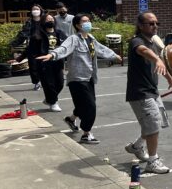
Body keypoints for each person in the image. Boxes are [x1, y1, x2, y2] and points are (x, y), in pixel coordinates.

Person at [37, 14, 122, 144]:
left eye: (89, 21)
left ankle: (71, 119)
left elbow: (101, 49)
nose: (88, 23)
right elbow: (63, 49)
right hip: (77, 78)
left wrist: (114, 55)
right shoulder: (74, 39)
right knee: (90, 106)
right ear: (77, 25)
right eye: (84, 21)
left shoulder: (90, 38)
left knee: (83, 104)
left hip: (89, 77)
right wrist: (52, 55)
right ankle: (86, 133)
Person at [123, 12, 172, 174]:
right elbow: (143, 51)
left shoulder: (152, 42)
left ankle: (136, 147)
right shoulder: (137, 41)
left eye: (156, 23)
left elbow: (159, 62)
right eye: (151, 23)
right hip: (140, 93)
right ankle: (152, 161)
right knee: (153, 124)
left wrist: (170, 79)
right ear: (140, 26)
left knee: (156, 122)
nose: (155, 26)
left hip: (152, 91)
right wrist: (157, 59)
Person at [11, 14, 67, 111]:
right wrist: (19, 59)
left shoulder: (60, 33)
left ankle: (49, 99)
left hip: (57, 62)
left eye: (52, 19)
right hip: (44, 63)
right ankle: (54, 102)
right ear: (43, 22)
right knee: (49, 84)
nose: (50, 21)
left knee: (60, 83)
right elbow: (29, 49)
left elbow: (67, 46)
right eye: (47, 19)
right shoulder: (37, 36)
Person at [18, 4, 45, 90]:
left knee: (43, 64)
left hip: (43, 45)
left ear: (41, 11)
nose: (35, 11)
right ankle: (36, 82)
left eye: (37, 9)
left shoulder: (44, 20)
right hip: (32, 45)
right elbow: (23, 33)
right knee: (33, 65)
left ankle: (44, 81)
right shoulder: (29, 21)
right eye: (34, 9)